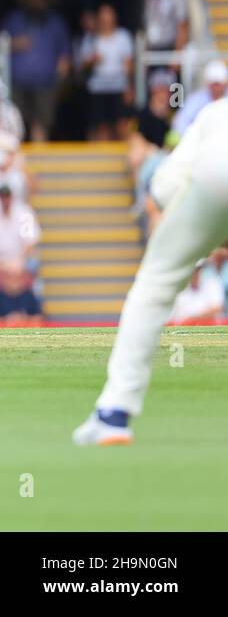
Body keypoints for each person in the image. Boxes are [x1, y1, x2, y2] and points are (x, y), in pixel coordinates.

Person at [74, 98, 228, 446]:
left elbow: (161, 189)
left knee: (155, 283)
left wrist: (206, 232)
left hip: (217, 174)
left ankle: (114, 415)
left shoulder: (215, 112)